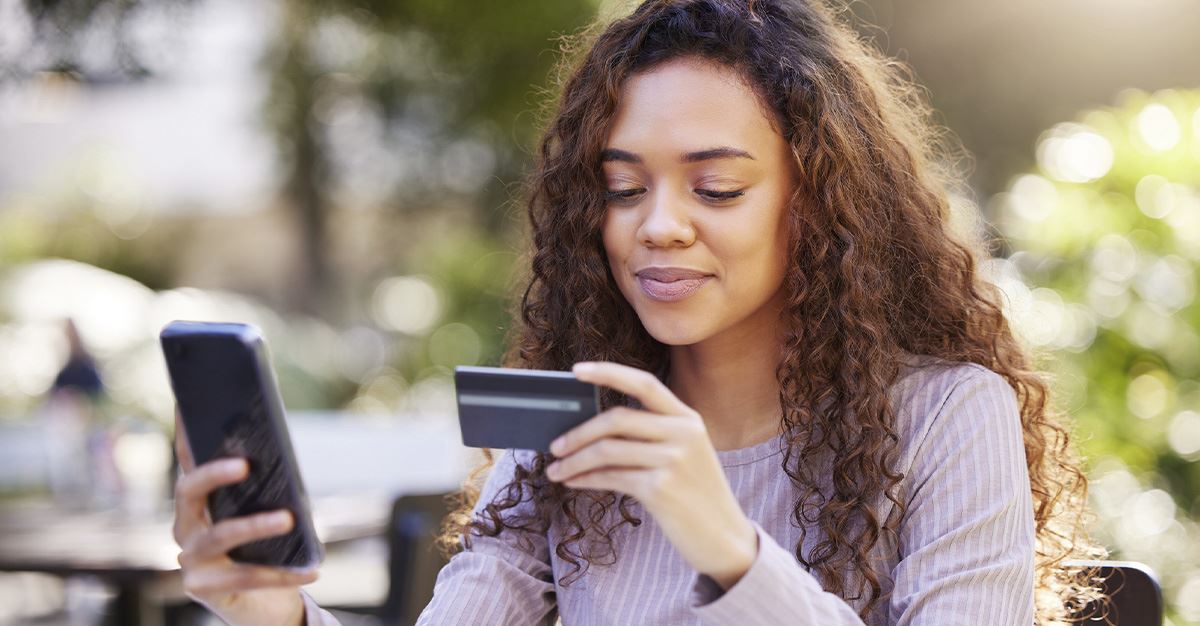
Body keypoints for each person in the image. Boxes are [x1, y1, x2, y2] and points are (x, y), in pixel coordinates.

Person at [171, 0, 1107, 624]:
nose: (657, 226)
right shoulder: (568, 428)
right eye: (623, 189)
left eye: (716, 188)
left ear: (821, 204)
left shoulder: (946, 415)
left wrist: (726, 546)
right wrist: (276, 615)